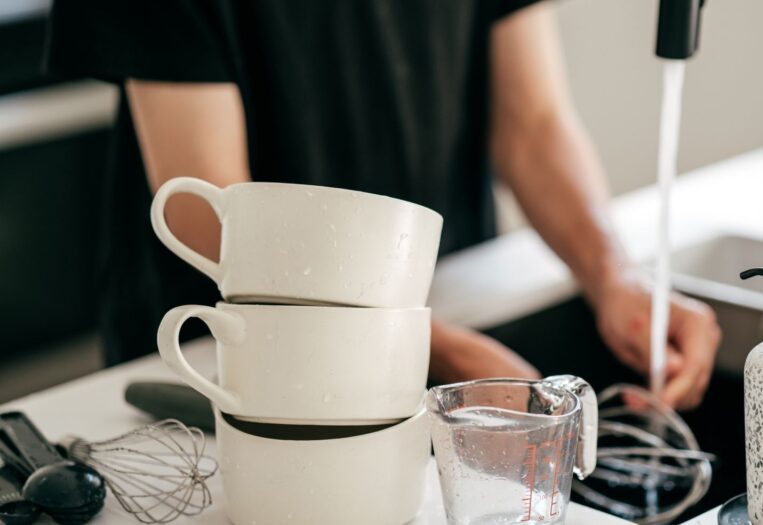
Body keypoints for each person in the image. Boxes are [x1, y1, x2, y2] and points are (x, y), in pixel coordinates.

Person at [46, 0, 720, 410]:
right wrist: (420, 343)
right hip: (221, 351)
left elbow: (533, 122)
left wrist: (614, 276)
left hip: (432, 307)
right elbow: (212, 208)